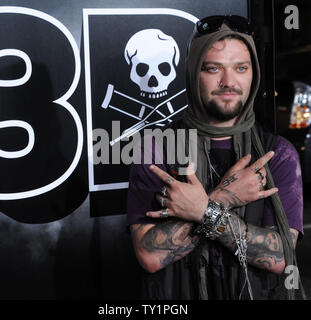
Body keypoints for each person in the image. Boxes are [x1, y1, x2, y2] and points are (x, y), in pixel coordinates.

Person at [126, 15, 304, 300]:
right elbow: (149, 255)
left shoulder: (278, 154)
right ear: (194, 71)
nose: (228, 81)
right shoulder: (155, 149)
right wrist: (224, 198)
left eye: (241, 68)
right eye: (213, 68)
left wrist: (202, 209)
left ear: (253, 74)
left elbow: (281, 256)